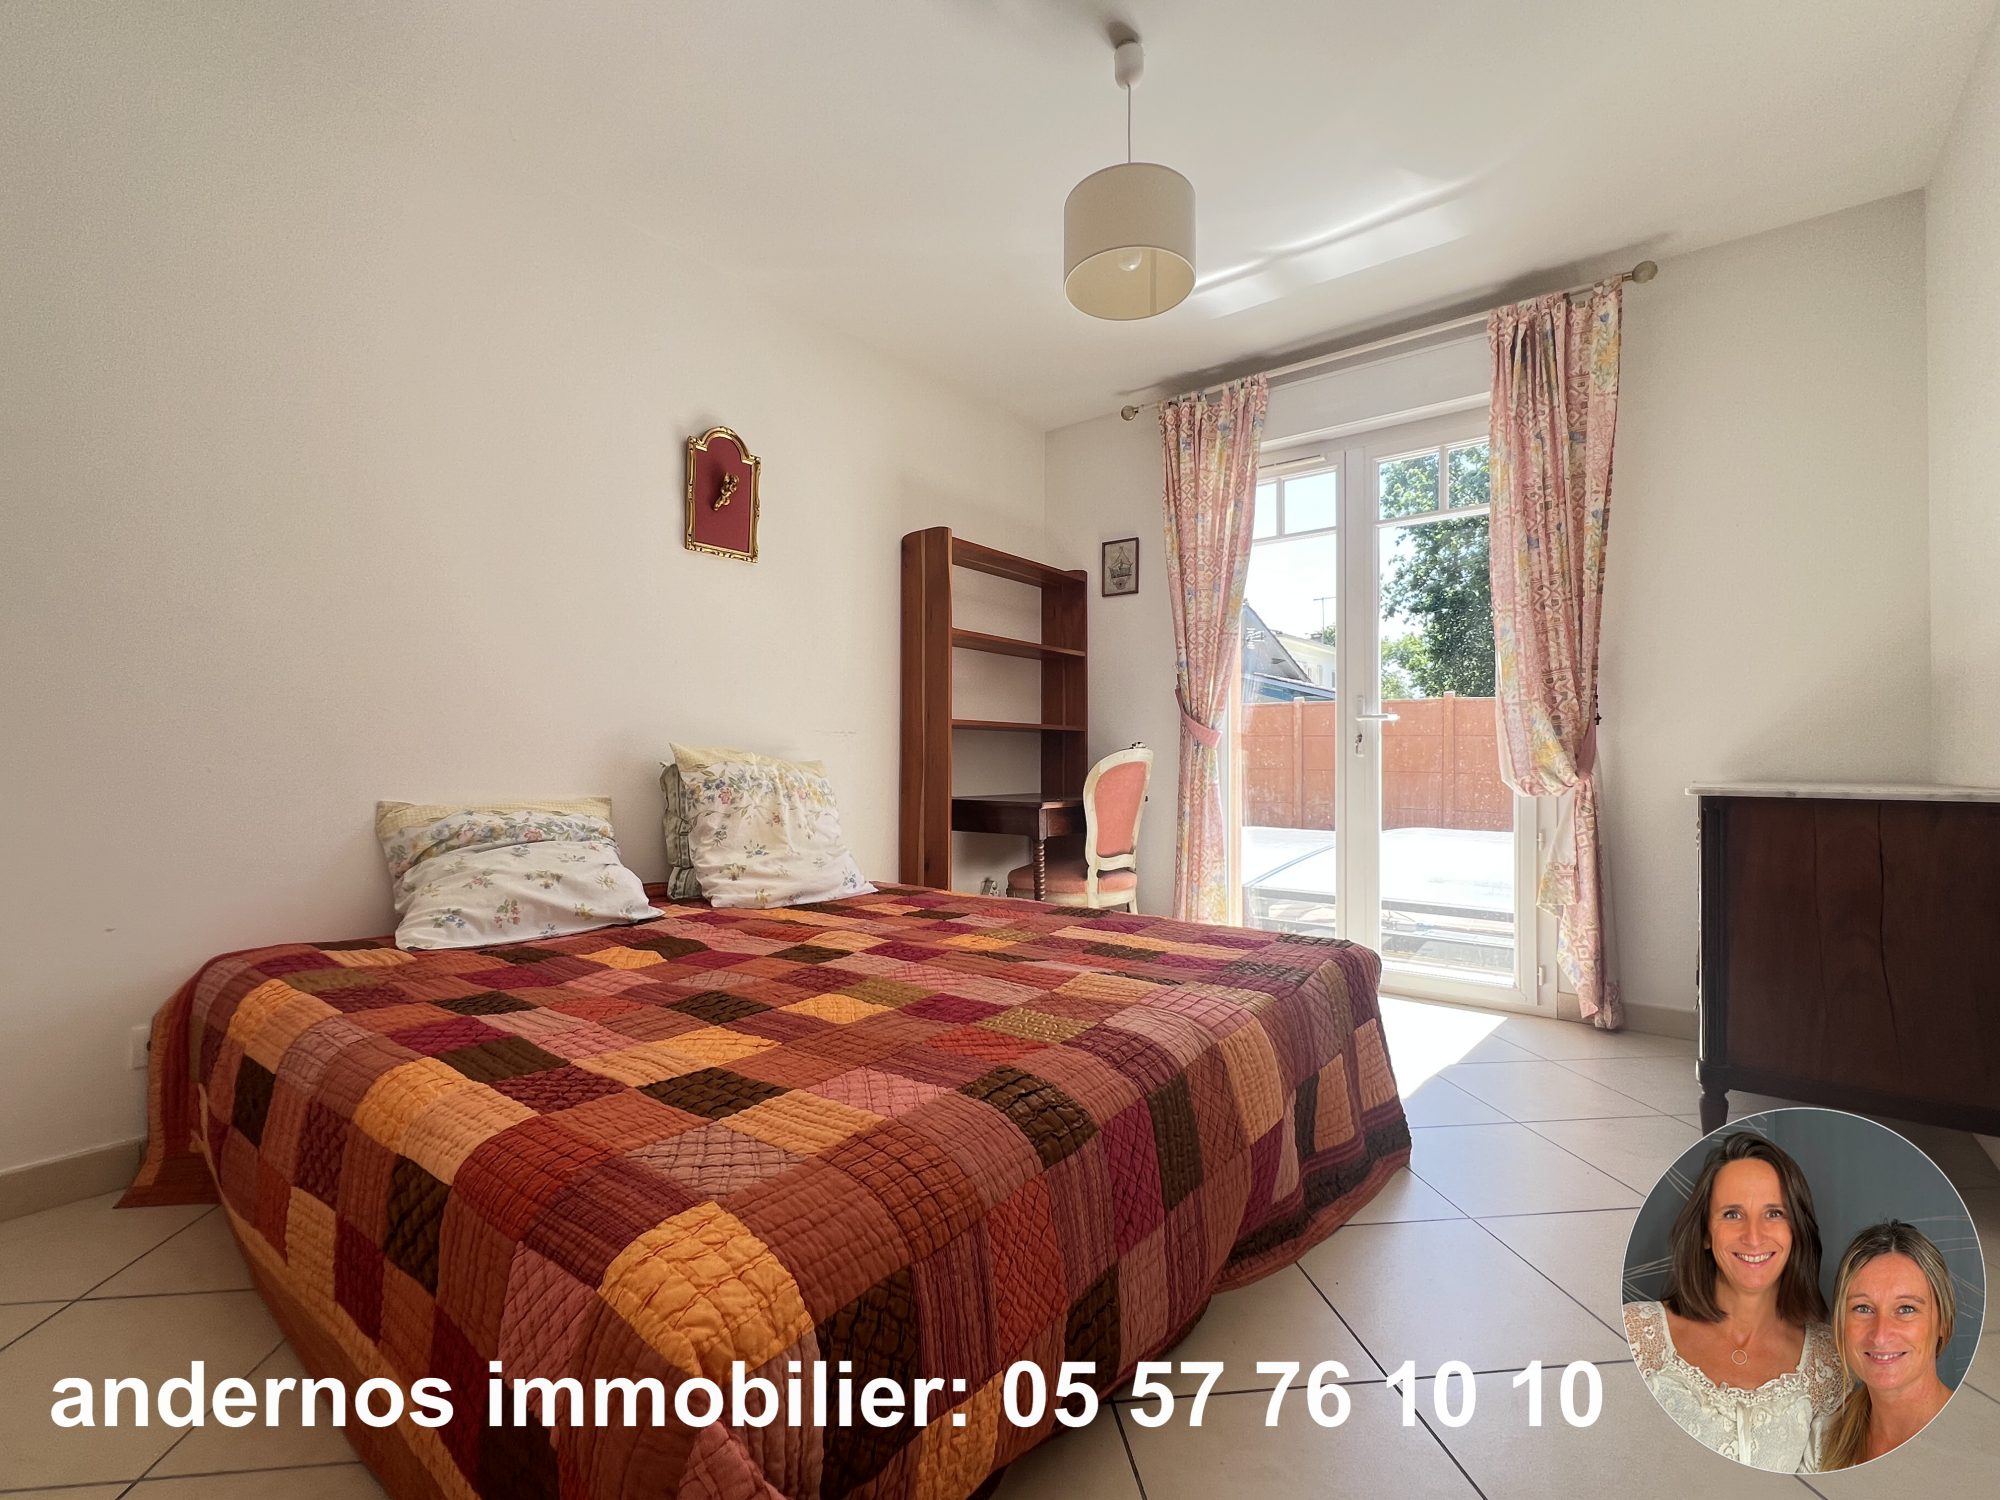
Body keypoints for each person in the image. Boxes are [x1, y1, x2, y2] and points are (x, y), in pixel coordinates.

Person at [1623, 1133, 1845, 1471]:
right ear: (1705, 1234)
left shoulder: (1828, 1362)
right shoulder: (1636, 1333)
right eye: (1732, 1214)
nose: (1753, 1237)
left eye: (1774, 1213)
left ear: (1797, 1232)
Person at [1814, 1221, 1958, 1469]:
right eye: (1863, 1308)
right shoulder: (1822, 1437)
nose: (1880, 1336)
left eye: (1906, 1309)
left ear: (1943, 1323)